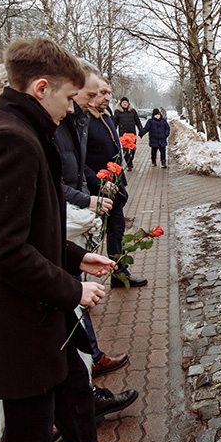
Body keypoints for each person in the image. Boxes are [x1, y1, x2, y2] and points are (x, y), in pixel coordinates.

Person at [0, 38, 149, 442]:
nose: (71, 109)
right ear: (41, 88)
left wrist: (74, 257)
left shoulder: (18, 129)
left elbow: (29, 228)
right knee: (27, 437)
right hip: (19, 321)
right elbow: (1, 249)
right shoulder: (11, 139)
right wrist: (71, 289)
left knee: (72, 385)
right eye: (68, 97)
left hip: (38, 314)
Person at [54, 61, 132, 375]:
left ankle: (90, 360)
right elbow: (59, 178)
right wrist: (88, 196)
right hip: (73, 209)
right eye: (90, 94)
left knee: (76, 293)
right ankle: (89, 363)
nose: (84, 103)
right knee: (71, 296)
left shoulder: (86, 118)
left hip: (84, 204)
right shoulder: (56, 125)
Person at [85, 78, 147, 288]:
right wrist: (97, 182)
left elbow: (116, 153)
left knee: (117, 232)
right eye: (102, 92)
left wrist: (123, 182)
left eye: (109, 93)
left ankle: (119, 274)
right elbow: (79, 162)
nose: (107, 97)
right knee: (90, 238)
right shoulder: (85, 120)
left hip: (114, 190)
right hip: (93, 193)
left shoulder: (106, 116)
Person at [112, 97, 142, 171]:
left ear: (128, 103)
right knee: (125, 150)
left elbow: (137, 121)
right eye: (123, 102)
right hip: (123, 134)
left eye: (126, 102)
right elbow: (114, 123)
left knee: (133, 149)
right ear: (121, 104)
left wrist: (141, 129)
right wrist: (112, 132)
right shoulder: (117, 112)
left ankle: (130, 160)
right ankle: (129, 164)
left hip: (132, 134)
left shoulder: (133, 111)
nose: (125, 104)